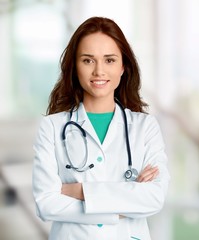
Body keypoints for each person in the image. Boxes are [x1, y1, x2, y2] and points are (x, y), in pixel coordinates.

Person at [32, 16, 170, 240]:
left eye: (109, 60)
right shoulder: (51, 127)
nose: (99, 71)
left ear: (123, 66)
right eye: (88, 60)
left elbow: (154, 198)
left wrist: (79, 191)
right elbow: (46, 204)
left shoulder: (145, 127)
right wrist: (124, 202)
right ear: (75, 67)